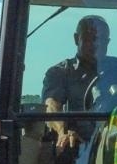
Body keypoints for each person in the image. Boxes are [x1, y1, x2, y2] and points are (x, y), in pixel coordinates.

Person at [43, 14, 110, 149]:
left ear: (108, 42)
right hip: (78, 146)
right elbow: (51, 106)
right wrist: (63, 132)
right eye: (88, 39)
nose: (95, 44)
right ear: (76, 39)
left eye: (100, 39)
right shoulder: (60, 72)